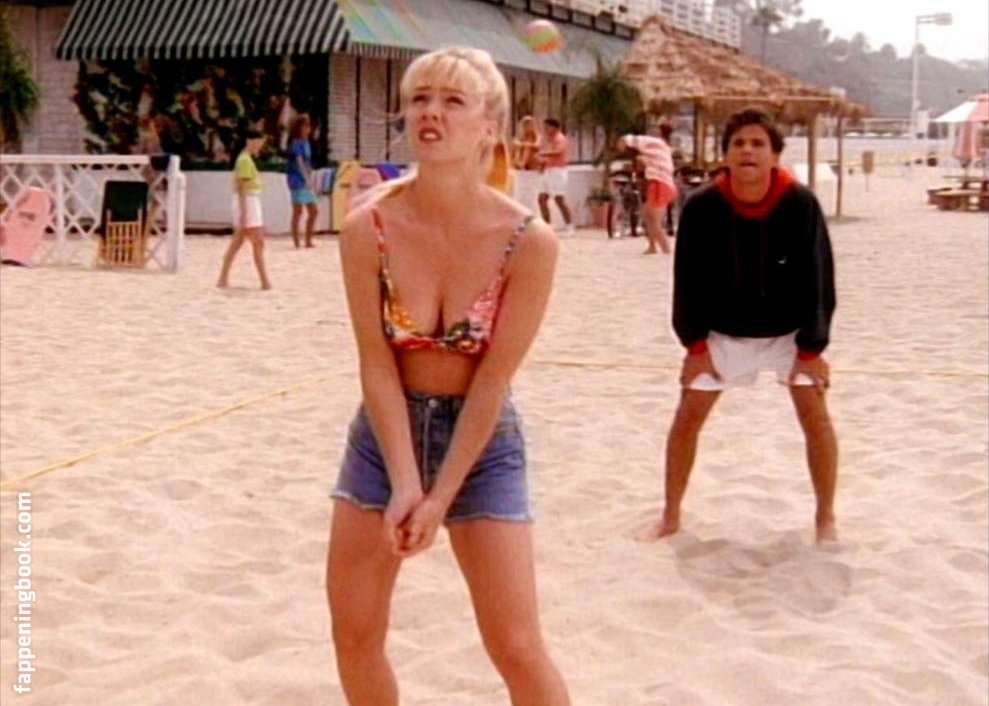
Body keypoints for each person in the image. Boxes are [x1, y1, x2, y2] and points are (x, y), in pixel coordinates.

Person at [326, 47, 570, 705]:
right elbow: (376, 364)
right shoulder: (367, 227)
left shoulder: (528, 241)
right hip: (384, 437)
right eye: (420, 98)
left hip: (482, 443)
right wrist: (406, 481)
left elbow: (492, 379)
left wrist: (439, 498)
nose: (431, 112)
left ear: (489, 126)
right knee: (354, 632)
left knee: (516, 646)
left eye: (452, 100)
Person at [639, 108, 838, 543]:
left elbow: (819, 279)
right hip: (722, 332)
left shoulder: (800, 203)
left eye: (758, 144)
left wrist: (812, 349)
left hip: (790, 333)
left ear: (775, 155)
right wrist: (694, 346)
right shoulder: (702, 206)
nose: (748, 151)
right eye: (739, 144)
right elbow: (686, 282)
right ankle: (670, 516)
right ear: (726, 154)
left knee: (815, 414)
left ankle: (825, 519)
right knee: (688, 416)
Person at [217, 129, 272, 290]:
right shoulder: (244, 160)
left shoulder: (245, 159)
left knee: (240, 241)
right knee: (257, 242)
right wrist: (244, 212)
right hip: (248, 201)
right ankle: (264, 281)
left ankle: (223, 277)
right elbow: (242, 188)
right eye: (259, 143)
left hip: (249, 201)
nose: (259, 147)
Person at [616, 122, 677, 254]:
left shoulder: (655, 143)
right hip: (660, 182)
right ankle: (653, 246)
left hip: (661, 182)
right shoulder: (664, 147)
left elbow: (629, 139)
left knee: (653, 218)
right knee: (647, 214)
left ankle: (666, 249)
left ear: (659, 132)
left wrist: (622, 144)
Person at [536, 118, 575, 238]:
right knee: (542, 198)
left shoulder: (560, 138)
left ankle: (569, 226)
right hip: (548, 170)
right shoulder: (548, 140)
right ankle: (547, 226)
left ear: (555, 127)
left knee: (559, 199)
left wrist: (543, 153)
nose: (546, 130)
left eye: (548, 127)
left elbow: (558, 152)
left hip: (558, 171)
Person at [286, 115, 319, 248]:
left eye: (308, 126)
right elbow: (299, 163)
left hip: (305, 178)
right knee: (298, 211)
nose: (308, 129)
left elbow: (307, 162)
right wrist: (307, 179)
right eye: (305, 126)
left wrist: (310, 178)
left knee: (313, 211)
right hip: (296, 179)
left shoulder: (307, 143)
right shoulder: (296, 143)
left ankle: (307, 240)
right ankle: (297, 241)